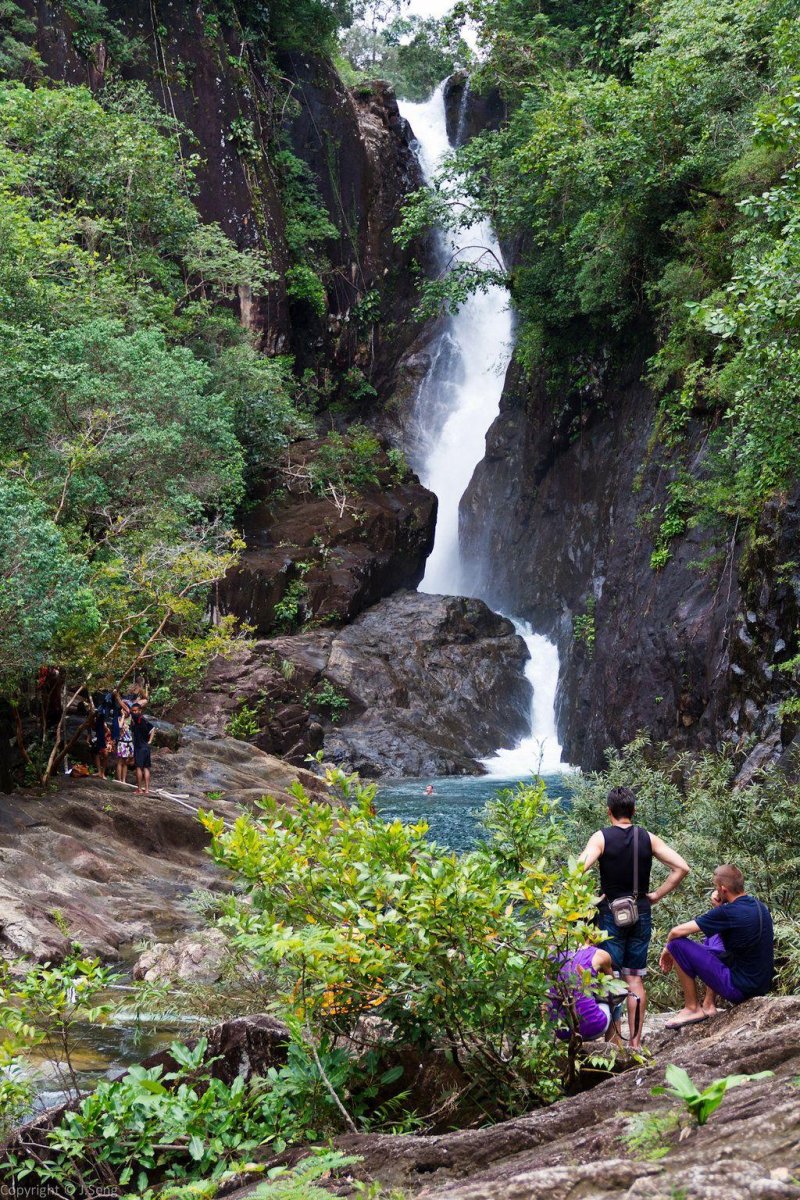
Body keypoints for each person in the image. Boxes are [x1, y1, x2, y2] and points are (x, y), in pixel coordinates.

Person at [578, 786, 690, 1048]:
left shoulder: (601, 838)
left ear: (609, 812)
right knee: (634, 978)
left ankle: (616, 1041)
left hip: (610, 915)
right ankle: (636, 1044)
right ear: (633, 810)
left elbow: (578, 870)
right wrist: (656, 895)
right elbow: (681, 868)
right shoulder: (647, 837)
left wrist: (590, 900)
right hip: (641, 911)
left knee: (612, 977)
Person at [659, 864, 774, 1028]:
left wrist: (667, 949)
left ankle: (692, 1008)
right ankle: (708, 1005)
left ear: (723, 889)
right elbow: (729, 927)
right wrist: (719, 907)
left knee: (676, 945)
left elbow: (676, 931)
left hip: (739, 988)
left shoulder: (728, 913)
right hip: (759, 984)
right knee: (712, 935)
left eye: (716, 888)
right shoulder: (759, 906)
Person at [548, 944, 623, 1044]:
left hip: (561, 1031)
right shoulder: (600, 954)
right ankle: (613, 1049)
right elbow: (612, 983)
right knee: (616, 994)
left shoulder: (550, 951)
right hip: (594, 1027)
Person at [130, 702, 155, 795]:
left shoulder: (137, 718)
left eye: (136, 710)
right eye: (133, 711)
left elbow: (127, 710)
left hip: (140, 748)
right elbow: (152, 729)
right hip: (146, 747)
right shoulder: (143, 719)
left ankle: (139, 789)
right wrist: (150, 741)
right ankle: (147, 790)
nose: (134, 712)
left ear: (140, 711)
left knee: (139, 768)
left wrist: (117, 697)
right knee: (146, 768)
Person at [114, 702, 135, 785]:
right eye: (123, 710)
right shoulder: (119, 718)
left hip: (129, 742)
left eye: (125, 709)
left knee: (126, 762)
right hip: (122, 742)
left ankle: (124, 780)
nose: (124, 711)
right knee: (120, 761)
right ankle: (119, 780)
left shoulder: (131, 718)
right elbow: (119, 726)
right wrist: (122, 716)